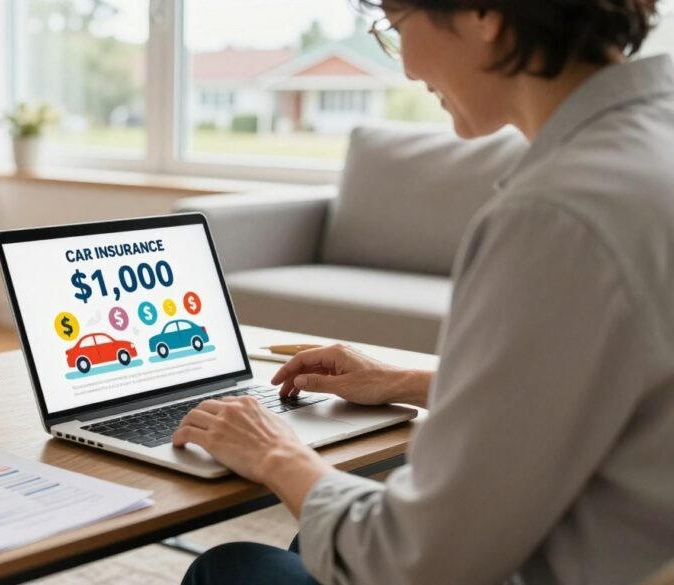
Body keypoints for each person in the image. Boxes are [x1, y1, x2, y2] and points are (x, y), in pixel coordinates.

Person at [174, 1, 674, 583]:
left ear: (484, 13)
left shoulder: (556, 214)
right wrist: (405, 383)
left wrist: (276, 454)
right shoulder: (653, 140)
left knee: (234, 568)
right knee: (313, 534)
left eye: (396, 26)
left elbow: (417, 560)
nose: (407, 67)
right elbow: (605, 388)